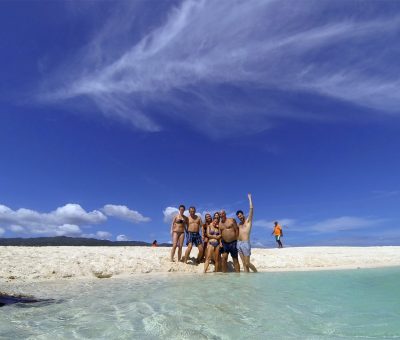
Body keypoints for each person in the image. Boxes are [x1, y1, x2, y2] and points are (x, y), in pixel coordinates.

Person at [236, 193, 257, 272]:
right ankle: (246, 280)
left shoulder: (248, 221)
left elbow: (251, 209)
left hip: (245, 243)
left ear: (243, 214)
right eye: (238, 216)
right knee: (244, 264)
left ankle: (256, 273)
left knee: (247, 263)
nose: (240, 217)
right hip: (239, 243)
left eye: (240, 215)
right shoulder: (239, 224)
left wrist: (250, 198)